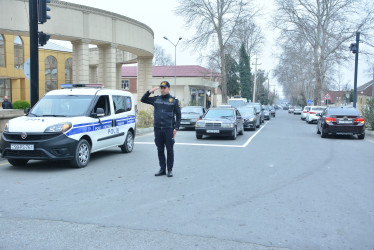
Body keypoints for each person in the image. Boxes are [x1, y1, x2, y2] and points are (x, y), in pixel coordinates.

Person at [141, 81, 181, 177]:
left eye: (164, 88)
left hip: (168, 129)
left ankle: (169, 169)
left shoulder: (174, 101)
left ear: (168, 89)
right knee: (160, 149)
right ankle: (162, 169)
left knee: (169, 149)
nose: (162, 89)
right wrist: (150, 91)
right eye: (161, 88)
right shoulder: (156, 99)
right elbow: (143, 99)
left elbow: (178, 115)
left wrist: (176, 128)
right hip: (158, 129)